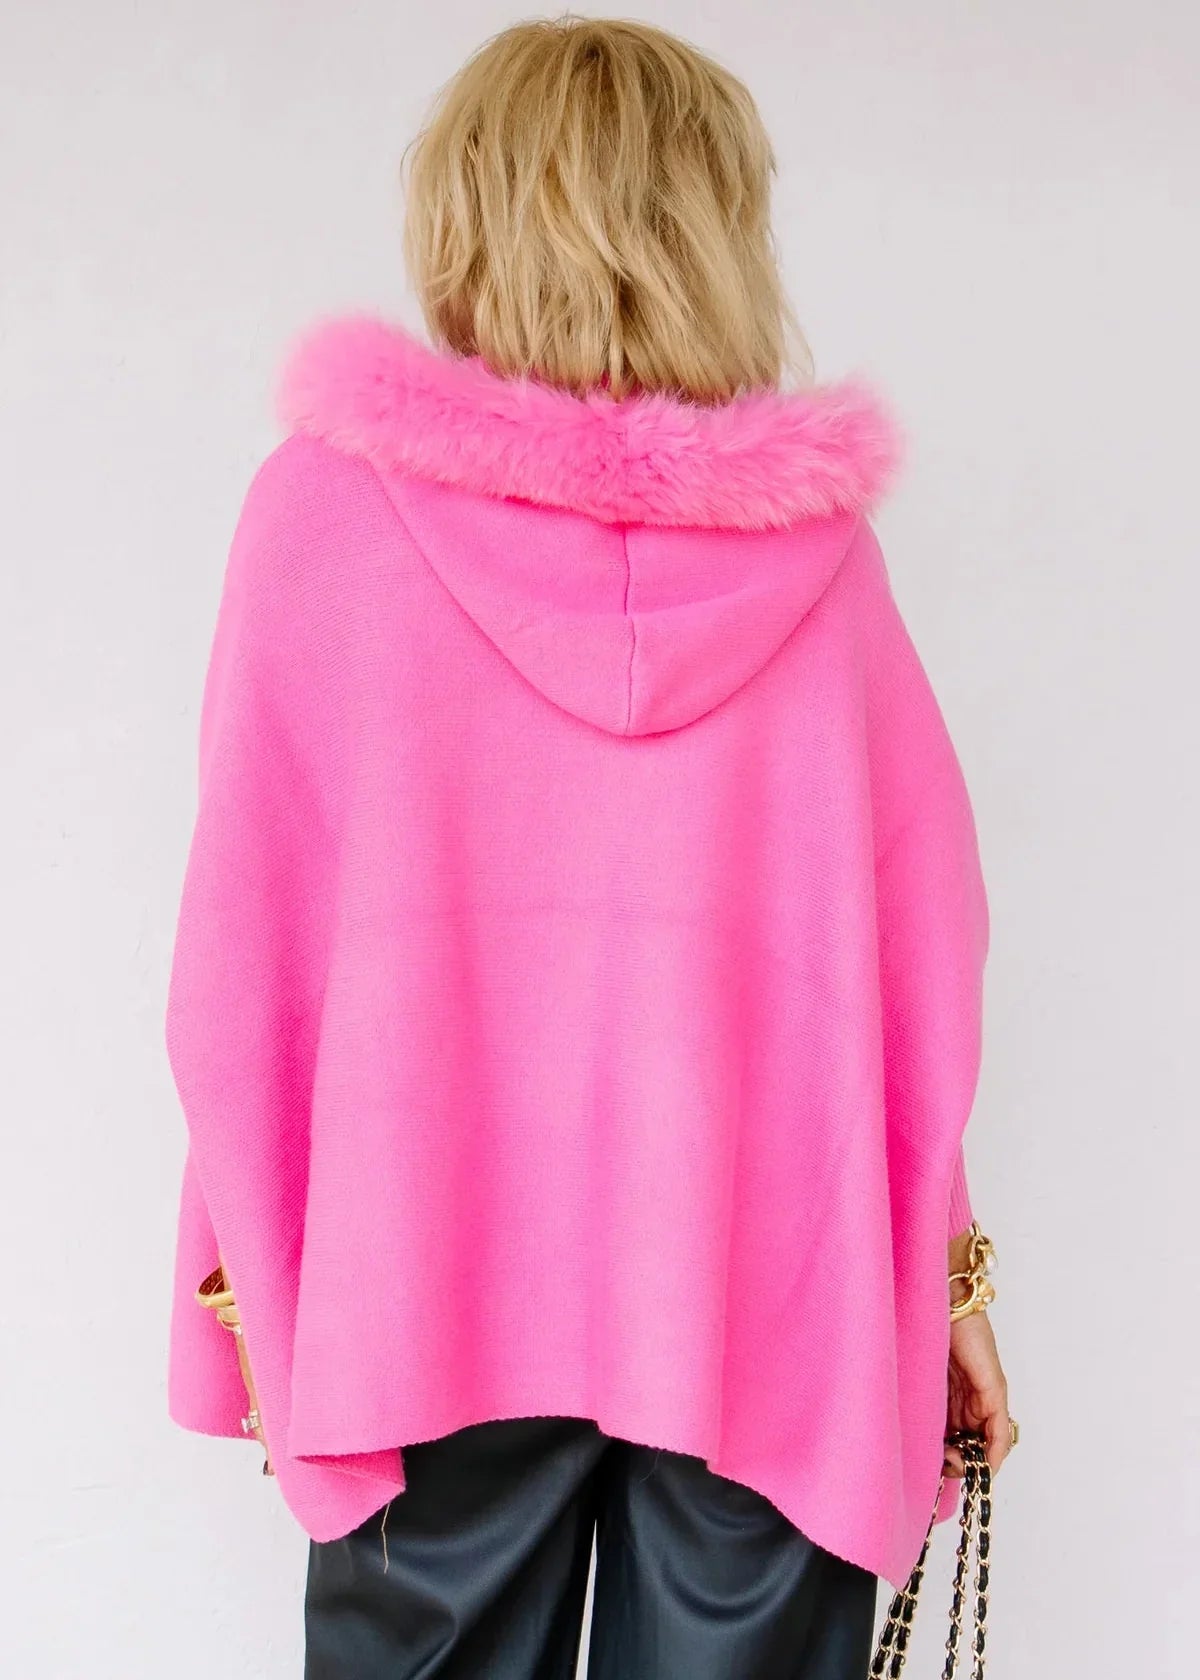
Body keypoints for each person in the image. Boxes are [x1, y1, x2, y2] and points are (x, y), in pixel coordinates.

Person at [164, 17, 1015, 1679]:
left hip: (420, 1295)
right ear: (714, 228)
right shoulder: (822, 567)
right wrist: (949, 1281)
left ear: (469, 215)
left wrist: (250, 1281)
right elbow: (911, 984)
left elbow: (245, 953)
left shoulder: (324, 520)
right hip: (766, 1305)